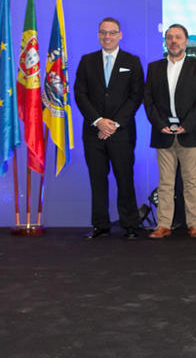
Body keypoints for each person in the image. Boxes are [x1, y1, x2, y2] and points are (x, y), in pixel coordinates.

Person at [74, 18, 144, 239]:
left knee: (125, 178)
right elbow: (80, 94)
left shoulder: (132, 61)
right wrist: (98, 121)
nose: (107, 36)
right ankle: (100, 225)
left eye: (112, 32)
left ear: (120, 35)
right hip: (93, 133)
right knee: (97, 180)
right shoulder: (87, 61)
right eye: (103, 32)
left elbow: (136, 96)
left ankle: (130, 225)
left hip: (121, 133)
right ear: (98, 35)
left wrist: (113, 124)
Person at [144, 24, 196, 239]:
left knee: (191, 181)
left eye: (178, 37)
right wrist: (159, 123)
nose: (174, 41)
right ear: (166, 41)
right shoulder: (154, 68)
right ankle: (164, 224)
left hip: (189, 133)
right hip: (163, 133)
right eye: (170, 37)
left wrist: (187, 124)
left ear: (186, 41)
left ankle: (194, 224)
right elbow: (148, 100)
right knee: (165, 183)